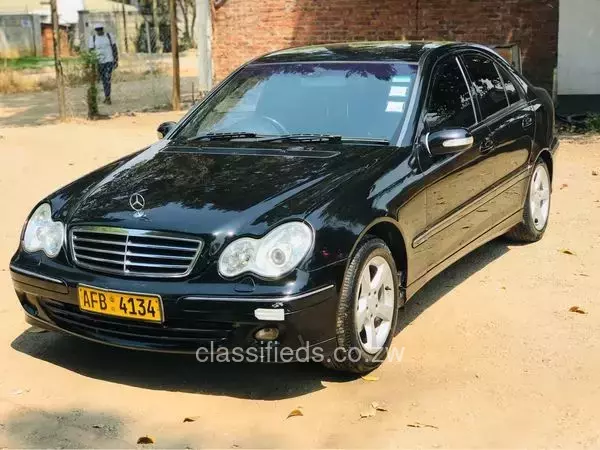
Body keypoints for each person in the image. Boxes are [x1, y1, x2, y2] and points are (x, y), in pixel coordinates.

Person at [88, 23, 119, 105]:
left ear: (103, 29)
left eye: (100, 29)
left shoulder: (109, 36)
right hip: (99, 62)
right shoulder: (93, 38)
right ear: (95, 30)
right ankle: (102, 97)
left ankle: (108, 97)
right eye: (97, 29)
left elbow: (114, 48)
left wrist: (116, 60)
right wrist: (92, 63)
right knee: (102, 79)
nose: (99, 31)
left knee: (107, 78)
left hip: (109, 60)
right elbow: (91, 50)